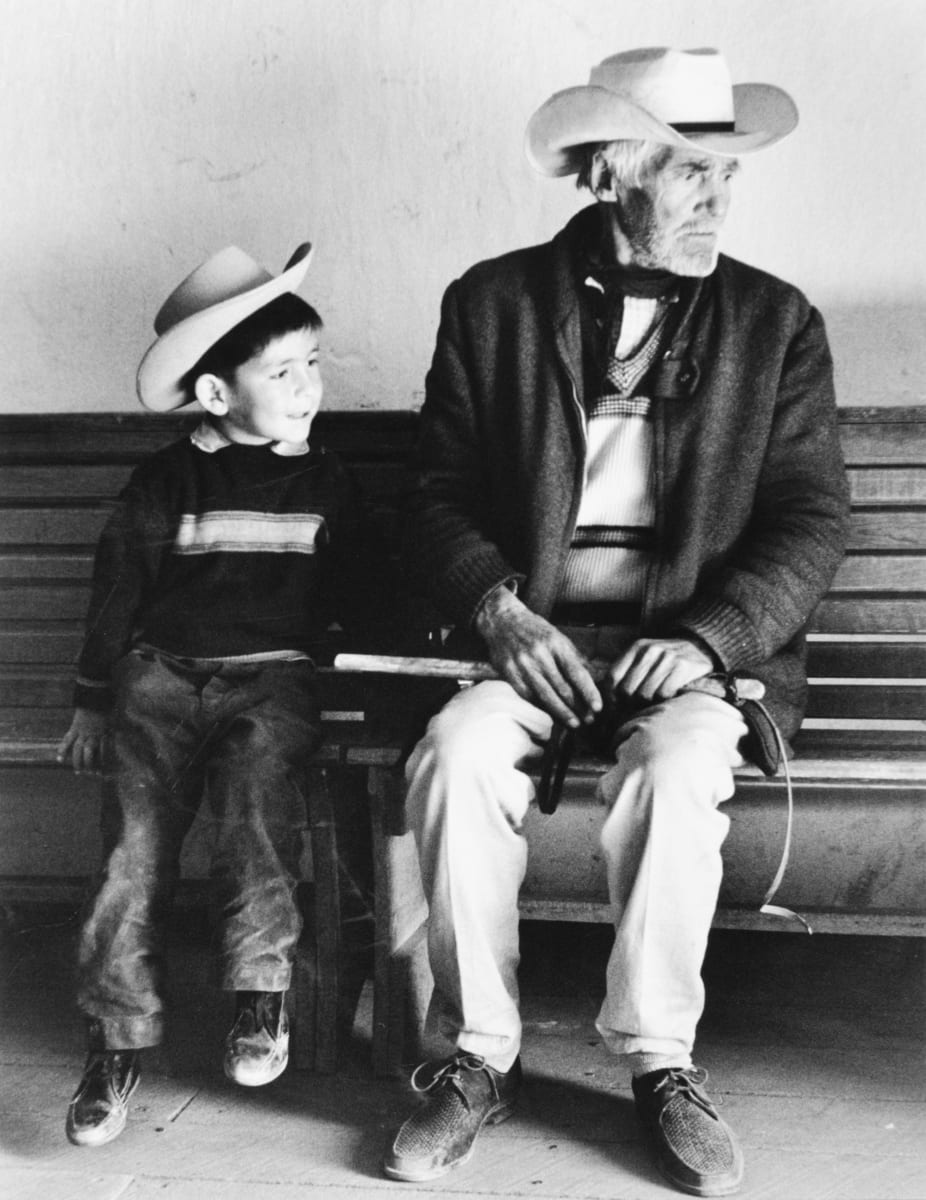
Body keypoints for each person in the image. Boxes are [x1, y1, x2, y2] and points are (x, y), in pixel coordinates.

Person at [383, 47, 850, 1196]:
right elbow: (432, 491)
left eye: (724, 178)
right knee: (452, 757)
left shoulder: (773, 322)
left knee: (680, 768)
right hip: (531, 639)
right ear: (609, 174)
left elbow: (808, 517)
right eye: (689, 172)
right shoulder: (491, 303)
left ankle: (657, 1060)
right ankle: (476, 1057)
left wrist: (709, 639)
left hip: (683, 648)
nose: (715, 200)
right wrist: (497, 608)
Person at [59, 242, 363, 1146]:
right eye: (282, 371)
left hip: (274, 684)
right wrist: (89, 699)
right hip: (158, 679)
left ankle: (260, 997)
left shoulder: (329, 482)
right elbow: (118, 591)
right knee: (132, 856)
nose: (308, 386)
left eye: (313, 362)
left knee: (253, 810)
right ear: (218, 396)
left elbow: (359, 597)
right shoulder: (165, 482)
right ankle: (116, 1042)